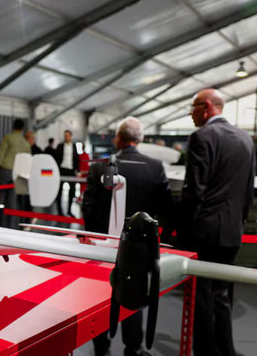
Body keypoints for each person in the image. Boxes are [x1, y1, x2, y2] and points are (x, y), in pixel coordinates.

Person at [82, 117, 173, 356]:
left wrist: (98, 234)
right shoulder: (155, 167)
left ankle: (101, 348)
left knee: (100, 298)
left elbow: (88, 209)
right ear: (139, 139)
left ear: (118, 139)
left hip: (103, 247)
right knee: (136, 293)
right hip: (140, 247)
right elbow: (166, 208)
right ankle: (134, 348)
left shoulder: (99, 168)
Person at [178, 88, 255, 356]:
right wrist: (239, 223)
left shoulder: (202, 137)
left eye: (194, 106)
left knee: (202, 299)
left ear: (207, 107)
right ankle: (227, 351)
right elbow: (248, 192)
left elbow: (195, 191)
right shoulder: (245, 139)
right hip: (232, 232)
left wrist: (183, 230)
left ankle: (205, 352)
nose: (191, 112)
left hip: (206, 232)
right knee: (223, 297)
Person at [0, 119, 30, 228]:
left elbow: (1, 154)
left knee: (0, 199)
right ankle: (10, 225)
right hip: (18, 174)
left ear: (13, 126)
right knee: (12, 202)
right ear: (22, 128)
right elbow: (27, 161)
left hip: (5, 170)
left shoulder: (8, 137)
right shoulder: (26, 143)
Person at [55, 130, 80, 216]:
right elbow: (56, 158)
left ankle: (69, 210)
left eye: (68, 136)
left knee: (72, 192)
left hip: (71, 170)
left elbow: (76, 159)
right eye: (65, 136)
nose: (66, 137)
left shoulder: (74, 146)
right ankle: (59, 211)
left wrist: (77, 170)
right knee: (59, 192)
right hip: (62, 170)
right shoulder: (60, 146)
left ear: (71, 136)